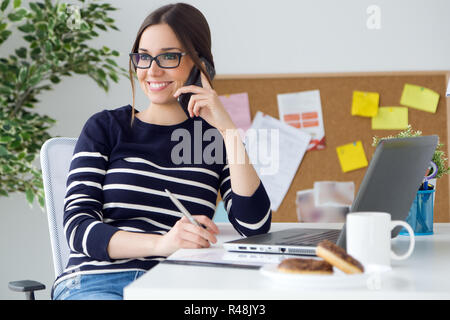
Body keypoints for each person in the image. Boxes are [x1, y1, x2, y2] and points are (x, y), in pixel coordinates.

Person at [52, 3, 272, 300]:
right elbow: (78, 228)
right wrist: (161, 244)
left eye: (168, 56)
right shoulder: (105, 127)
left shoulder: (211, 140)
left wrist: (227, 129)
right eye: (143, 57)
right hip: (98, 281)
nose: (152, 70)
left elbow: (254, 226)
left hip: (176, 286)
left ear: (200, 65)